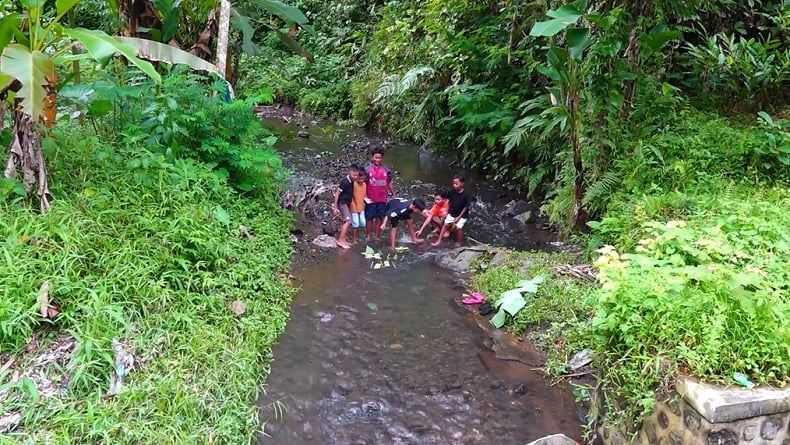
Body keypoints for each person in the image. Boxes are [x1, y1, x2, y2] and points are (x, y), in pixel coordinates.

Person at [365, 148, 395, 240]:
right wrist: (364, 196)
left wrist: (393, 194)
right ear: (372, 157)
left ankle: (377, 236)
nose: (377, 160)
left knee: (380, 217)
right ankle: (368, 235)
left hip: (382, 198)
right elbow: (364, 183)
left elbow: (389, 182)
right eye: (376, 157)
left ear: (382, 158)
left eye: (379, 158)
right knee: (369, 218)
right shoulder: (367, 170)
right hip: (370, 198)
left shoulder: (386, 170)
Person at [433, 174, 470, 247]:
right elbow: (446, 200)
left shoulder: (466, 195)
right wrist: (446, 211)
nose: (454, 185)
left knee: (458, 228)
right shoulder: (451, 192)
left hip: (462, 215)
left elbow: (466, 207)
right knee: (445, 225)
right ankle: (439, 241)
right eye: (453, 184)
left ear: (462, 184)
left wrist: (459, 217)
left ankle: (459, 242)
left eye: (456, 184)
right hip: (452, 212)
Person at [332, 165, 360, 249]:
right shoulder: (345, 182)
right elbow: (337, 193)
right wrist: (335, 207)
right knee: (348, 221)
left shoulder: (352, 181)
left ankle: (343, 239)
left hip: (347, 203)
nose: (355, 177)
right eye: (353, 175)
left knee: (347, 221)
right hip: (342, 203)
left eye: (357, 175)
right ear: (349, 173)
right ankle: (340, 241)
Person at [349, 169, 367, 244]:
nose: (361, 180)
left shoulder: (365, 185)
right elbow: (351, 195)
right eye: (359, 178)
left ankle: (357, 236)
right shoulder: (354, 184)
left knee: (362, 223)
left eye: (363, 179)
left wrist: (366, 200)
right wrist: (352, 204)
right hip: (354, 207)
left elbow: (364, 195)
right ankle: (354, 239)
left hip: (361, 206)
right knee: (355, 223)